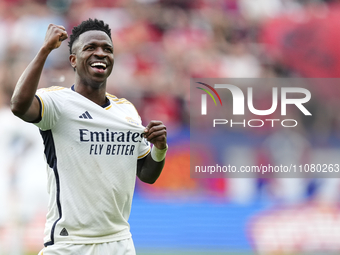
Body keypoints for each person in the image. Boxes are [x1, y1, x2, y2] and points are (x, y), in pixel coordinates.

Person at [10, 18, 168, 255]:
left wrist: (159, 148)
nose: (101, 53)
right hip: (69, 244)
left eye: (108, 49)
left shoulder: (126, 111)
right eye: (90, 48)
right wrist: (45, 50)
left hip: (119, 242)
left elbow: (147, 174)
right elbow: (19, 105)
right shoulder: (57, 104)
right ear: (73, 60)